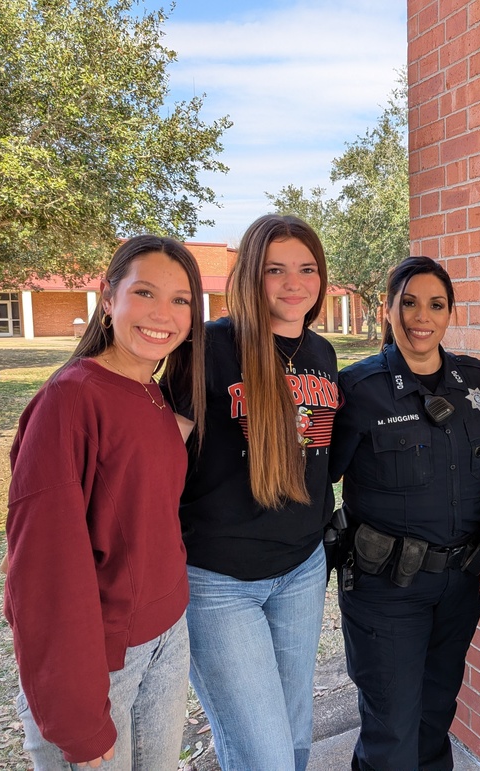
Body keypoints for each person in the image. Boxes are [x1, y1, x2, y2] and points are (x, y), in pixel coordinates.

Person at [5, 236, 207, 769]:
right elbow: (42, 574)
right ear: (106, 297)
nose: (162, 314)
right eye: (144, 293)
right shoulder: (69, 401)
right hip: (101, 660)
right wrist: (77, 720)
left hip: (167, 636)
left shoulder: (152, 392)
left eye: (181, 300)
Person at [167, 214, 338, 770]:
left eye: (307, 268)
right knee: (261, 751)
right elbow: (161, 459)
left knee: (292, 733)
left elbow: (318, 456)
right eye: (276, 270)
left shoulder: (322, 355)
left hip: (302, 570)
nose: (295, 283)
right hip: (220, 581)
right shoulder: (209, 347)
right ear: (249, 277)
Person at [331, 256, 480, 770]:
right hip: (386, 592)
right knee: (391, 734)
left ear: (450, 314)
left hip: (457, 586)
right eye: (408, 302)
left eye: (435, 304)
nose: (420, 317)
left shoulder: (477, 384)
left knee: (433, 721)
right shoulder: (358, 389)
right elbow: (316, 479)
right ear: (387, 308)